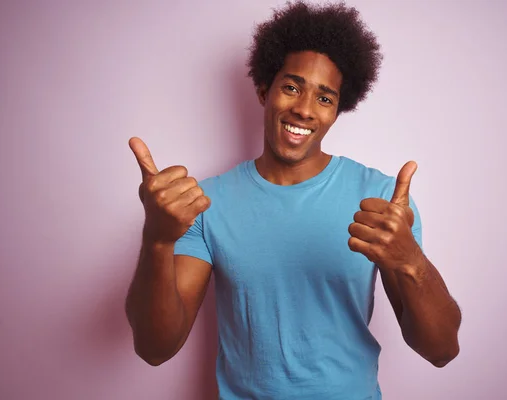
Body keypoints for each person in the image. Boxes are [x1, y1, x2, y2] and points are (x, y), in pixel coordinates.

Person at [125, 1, 462, 399]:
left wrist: (411, 261)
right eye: (291, 87)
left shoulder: (383, 200)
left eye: (324, 98)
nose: (303, 109)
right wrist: (158, 240)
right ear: (264, 90)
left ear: (338, 110)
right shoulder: (204, 203)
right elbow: (155, 348)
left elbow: (441, 351)